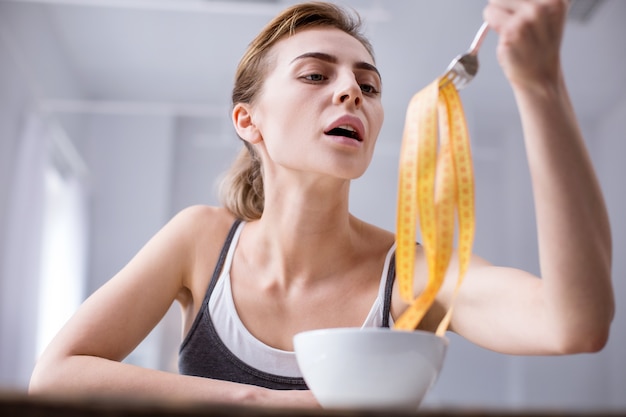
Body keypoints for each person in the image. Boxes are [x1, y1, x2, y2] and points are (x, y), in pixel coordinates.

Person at [29, 0, 614, 409]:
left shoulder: (411, 275)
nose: (351, 91)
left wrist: (540, 88)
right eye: (315, 75)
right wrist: (258, 401)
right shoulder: (200, 243)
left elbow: (575, 323)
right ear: (247, 121)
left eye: (369, 84)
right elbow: (55, 376)